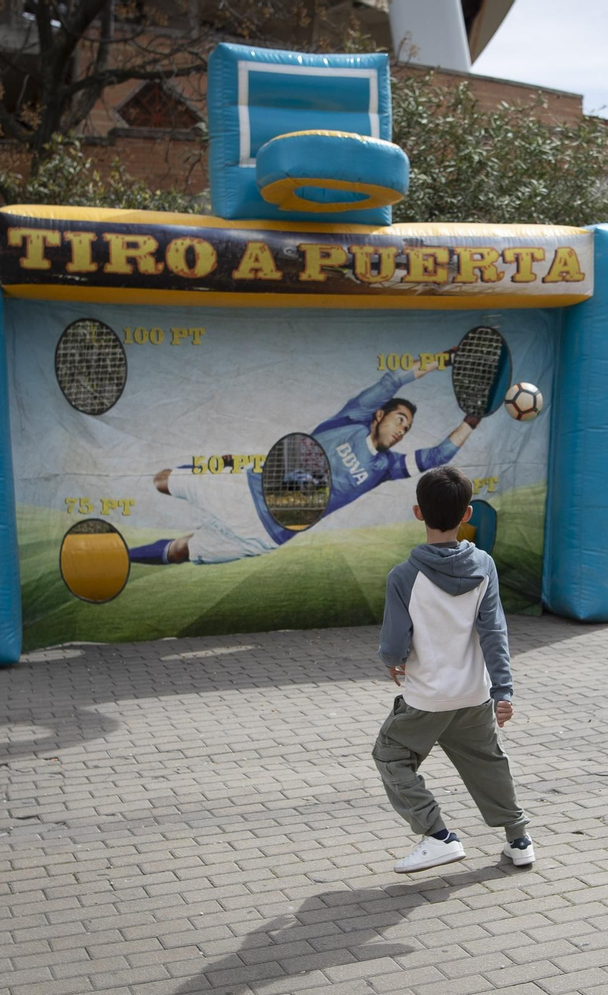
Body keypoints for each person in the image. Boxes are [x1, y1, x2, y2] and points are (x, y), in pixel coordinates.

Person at [129, 361, 484, 566]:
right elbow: (390, 381)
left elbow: (437, 457)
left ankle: (121, 557)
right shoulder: (349, 420)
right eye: (399, 419)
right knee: (164, 480)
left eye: (408, 427)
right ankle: (210, 475)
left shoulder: (385, 467)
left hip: (268, 534)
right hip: (247, 493)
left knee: (180, 551)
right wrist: (443, 359)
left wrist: (471, 421)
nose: (402, 430)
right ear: (379, 415)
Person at [373, 466, 533, 874]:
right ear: (467, 514)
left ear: (417, 512)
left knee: (390, 756)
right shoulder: (484, 567)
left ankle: (439, 836)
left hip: (425, 698)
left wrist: (393, 661)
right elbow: (494, 632)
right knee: (488, 764)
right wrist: (504, 691)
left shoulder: (403, 576)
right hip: (474, 695)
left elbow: (394, 644)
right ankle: (519, 842)